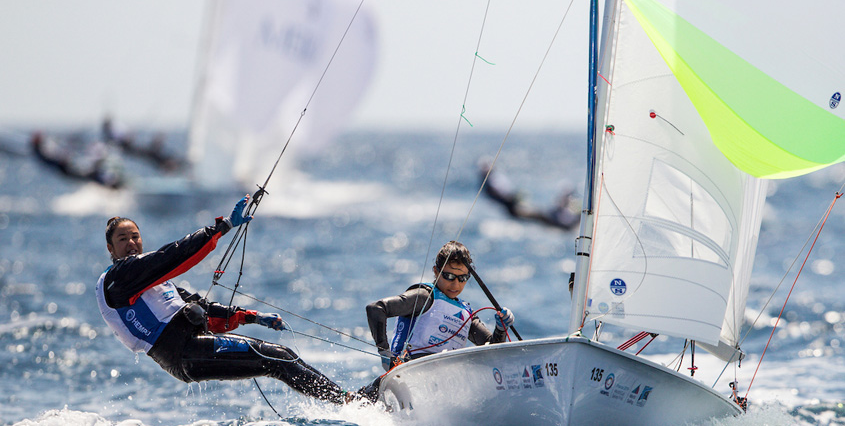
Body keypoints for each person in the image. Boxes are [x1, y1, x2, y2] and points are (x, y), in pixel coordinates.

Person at [96, 195, 366, 404]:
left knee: (282, 357)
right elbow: (171, 256)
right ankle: (350, 402)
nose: (131, 243)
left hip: (191, 345)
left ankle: (347, 398)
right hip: (180, 352)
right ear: (111, 248)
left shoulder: (152, 283)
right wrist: (221, 228)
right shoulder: (118, 279)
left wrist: (254, 317)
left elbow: (205, 310)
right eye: (123, 239)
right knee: (278, 358)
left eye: (135, 237)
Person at [366, 241, 516, 372]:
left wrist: (501, 328)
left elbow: (492, 351)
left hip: (447, 376)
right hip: (408, 371)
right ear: (436, 271)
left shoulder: (466, 313)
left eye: (463, 278)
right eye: (449, 276)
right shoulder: (423, 297)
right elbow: (376, 308)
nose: (455, 284)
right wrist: (385, 352)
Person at [478, 157, 579, 230]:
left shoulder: (490, 182)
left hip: (514, 207)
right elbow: (500, 196)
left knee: (539, 215)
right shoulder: (489, 184)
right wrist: (513, 198)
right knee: (539, 215)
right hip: (513, 208)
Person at [31, 132, 124, 189]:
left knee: (90, 173)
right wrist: (63, 159)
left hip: (65, 169)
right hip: (64, 170)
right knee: (90, 174)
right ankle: (112, 186)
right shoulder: (40, 152)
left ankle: (111, 184)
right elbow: (53, 160)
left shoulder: (40, 149)